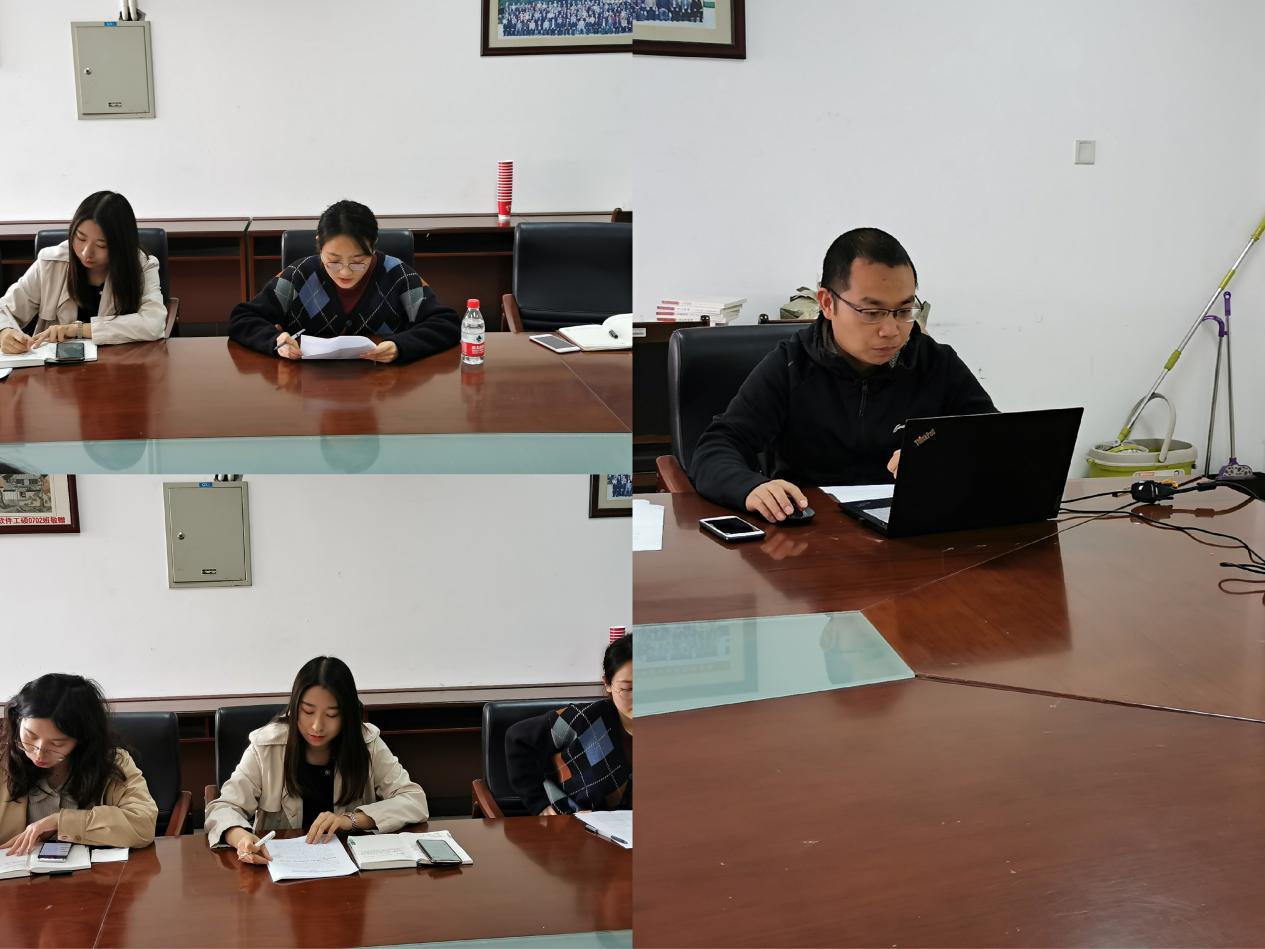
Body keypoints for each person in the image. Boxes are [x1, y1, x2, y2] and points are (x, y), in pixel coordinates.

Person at [689, 227, 997, 522]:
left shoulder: (935, 363)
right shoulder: (791, 365)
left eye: (904, 311)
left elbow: (996, 440)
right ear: (827, 303)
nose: (891, 330)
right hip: (808, 532)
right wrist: (751, 487)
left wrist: (946, 456)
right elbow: (716, 448)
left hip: (909, 530)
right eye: (872, 313)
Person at [204, 656, 428, 864]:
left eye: (332, 714)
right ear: (294, 708)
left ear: (347, 715)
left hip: (352, 873)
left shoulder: (367, 743)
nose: (317, 726)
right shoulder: (266, 746)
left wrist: (350, 820)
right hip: (282, 871)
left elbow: (414, 800)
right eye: (308, 711)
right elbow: (223, 808)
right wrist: (241, 837)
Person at [228, 200, 459, 365]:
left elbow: (445, 323)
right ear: (320, 244)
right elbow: (243, 318)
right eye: (333, 261)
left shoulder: (397, 274)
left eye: (358, 262)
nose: (345, 272)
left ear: (373, 246)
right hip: (306, 390)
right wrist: (275, 341)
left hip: (382, 389)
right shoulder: (300, 274)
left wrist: (401, 345)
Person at [1, 674, 158, 855]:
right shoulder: (3, 760)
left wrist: (60, 822)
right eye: (31, 736)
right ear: (18, 721)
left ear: (82, 738)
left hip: (96, 872)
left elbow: (143, 824)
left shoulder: (112, 763)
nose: (39, 752)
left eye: (57, 743)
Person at [0, 191, 165, 354]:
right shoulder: (50, 263)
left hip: (118, 363)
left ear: (121, 245)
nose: (86, 253)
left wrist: (78, 330)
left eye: (101, 245)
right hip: (55, 367)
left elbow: (154, 323)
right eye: (80, 238)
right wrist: (4, 332)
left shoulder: (142, 266)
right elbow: (4, 309)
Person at [505, 633, 632, 815]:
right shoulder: (584, 720)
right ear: (607, 684)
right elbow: (517, 738)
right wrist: (540, 805)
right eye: (628, 688)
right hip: (578, 827)